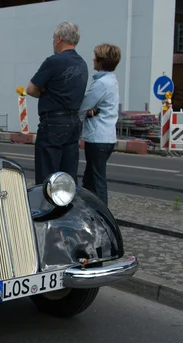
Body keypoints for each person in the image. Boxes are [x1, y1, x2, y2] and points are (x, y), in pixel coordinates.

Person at [26, 22, 89, 185]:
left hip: (53, 123)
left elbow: (31, 89)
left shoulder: (54, 61)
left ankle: (47, 208)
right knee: (68, 175)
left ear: (59, 38)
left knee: (46, 174)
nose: (53, 42)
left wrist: (46, 91)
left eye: (53, 38)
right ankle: (66, 206)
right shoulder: (83, 64)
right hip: (74, 122)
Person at [78, 43, 122, 207]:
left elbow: (83, 106)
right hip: (107, 137)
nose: (93, 59)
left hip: (97, 138)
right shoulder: (111, 81)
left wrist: (86, 112)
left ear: (101, 61)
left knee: (96, 180)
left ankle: (102, 214)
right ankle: (87, 208)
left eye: (95, 56)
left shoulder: (101, 84)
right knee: (90, 178)